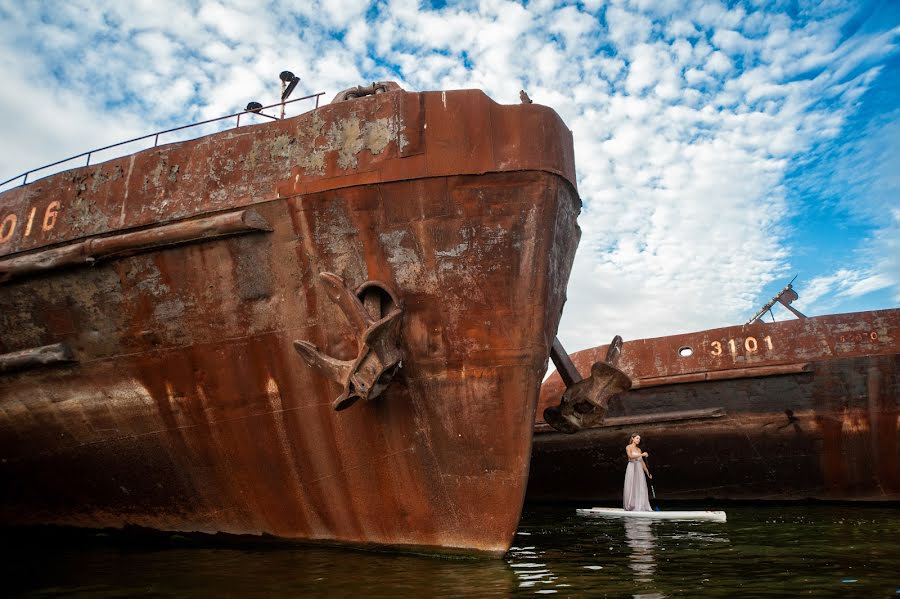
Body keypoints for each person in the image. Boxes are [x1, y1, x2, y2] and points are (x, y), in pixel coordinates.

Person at [623, 432, 652, 511]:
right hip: (632, 467)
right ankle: (630, 506)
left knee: (640, 486)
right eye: (637, 438)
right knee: (631, 486)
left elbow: (642, 462)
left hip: (639, 469)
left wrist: (647, 473)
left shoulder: (639, 449)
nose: (639, 440)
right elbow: (630, 456)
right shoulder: (628, 447)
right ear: (633, 438)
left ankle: (640, 506)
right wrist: (642, 454)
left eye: (639, 439)